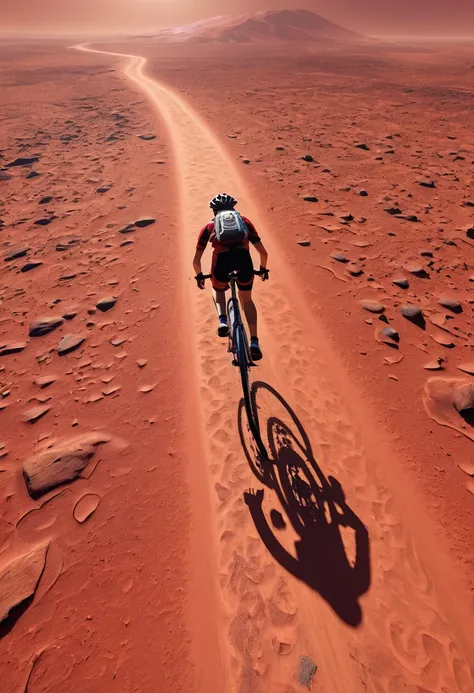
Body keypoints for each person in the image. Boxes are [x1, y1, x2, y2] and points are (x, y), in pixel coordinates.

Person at [193, 193, 268, 361]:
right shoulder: (245, 223)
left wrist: (199, 276)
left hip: (221, 265)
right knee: (247, 300)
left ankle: (223, 320)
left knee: (217, 288)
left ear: (214, 211)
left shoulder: (208, 228)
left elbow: (196, 260)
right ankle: (254, 342)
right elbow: (263, 252)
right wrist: (263, 269)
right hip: (244, 263)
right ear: (233, 208)